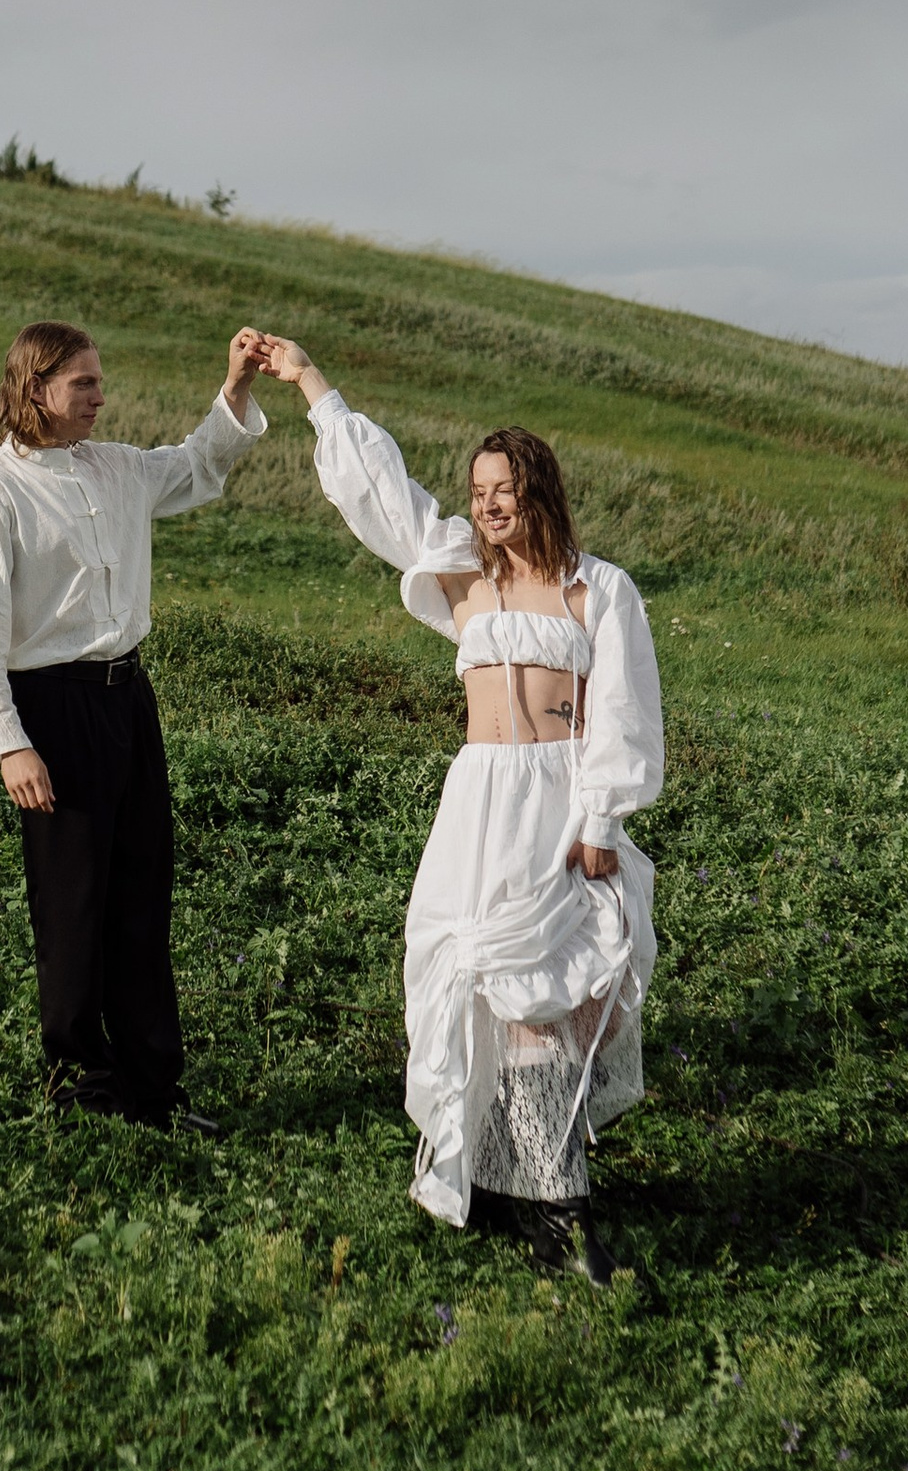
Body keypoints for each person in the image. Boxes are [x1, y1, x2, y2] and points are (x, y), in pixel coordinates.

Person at [252, 337, 662, 1276]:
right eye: (477, 489)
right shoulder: (459, 570)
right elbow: (379, 491)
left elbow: (626, 713)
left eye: (503, 488)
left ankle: (553, 1197)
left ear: (540, 492)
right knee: (482, 986)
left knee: (556, 991)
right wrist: (313, 384)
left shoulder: (596, 589)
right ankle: (519, 1190)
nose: (486, 504)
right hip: (480, 801)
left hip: (559, 799)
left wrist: (602, 820)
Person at [0, 319, 270, 1124]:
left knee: (140, 896)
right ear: (35, 388)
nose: (99, 395)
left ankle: (155, 1088)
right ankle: (83, 1090)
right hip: (52, 711)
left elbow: (197, 465)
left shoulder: (120, 469)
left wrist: (236, 387)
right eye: (82, 382)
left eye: (99, 380)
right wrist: (9, 743)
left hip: (129, 703)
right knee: (73, 904)